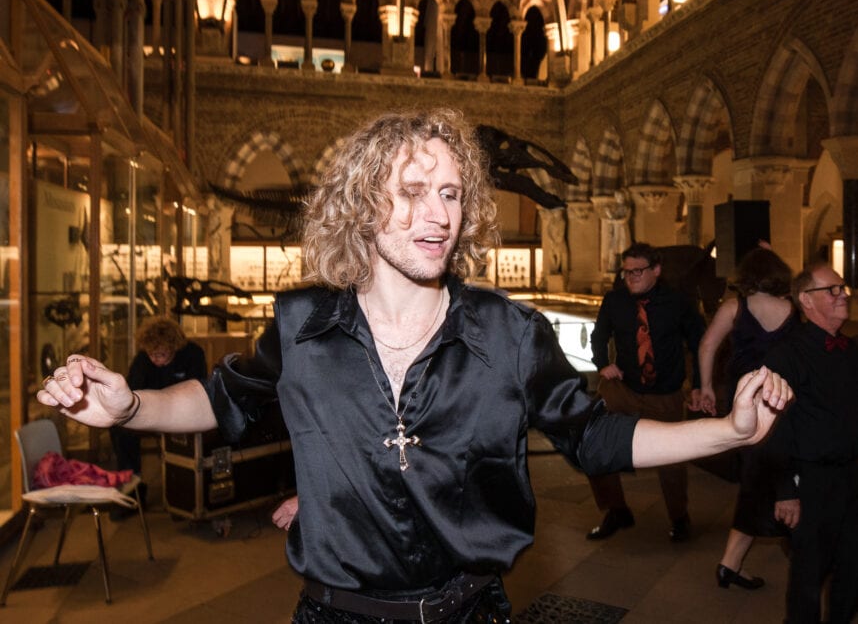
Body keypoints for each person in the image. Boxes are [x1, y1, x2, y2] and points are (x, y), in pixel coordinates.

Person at [37, 108, 793, 623]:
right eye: (410, 192)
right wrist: (131, 406)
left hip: (472, 608)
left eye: (452, 193)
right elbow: (220, 401)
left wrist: (728, 429)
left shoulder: (507, 332)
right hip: (335, 612)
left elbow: (597, 435)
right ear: (364, 204)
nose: (438, 214)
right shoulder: (303, 324)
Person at [764, 263, 858, 624]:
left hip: (850, 478)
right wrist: (785, 490)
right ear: (805, 301)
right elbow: (774, 427)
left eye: (842, 288)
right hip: (808, 481)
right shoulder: (786, 355)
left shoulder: (850, 350)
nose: (843, 294)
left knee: (855, 565)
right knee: (808, 579)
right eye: (832, 289)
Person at [585, 241, 706, 542]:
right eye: (626, 272)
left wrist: (701, 385)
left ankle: (679, 518)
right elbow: (599, 337)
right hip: (624, 389)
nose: (631, 278)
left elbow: (699, 342)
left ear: (656, 270)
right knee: (594, 442)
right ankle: (616, 510)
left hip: (664, 394)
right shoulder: (615, 301)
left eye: (638, 271)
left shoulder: (677, 301)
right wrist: (603, 364)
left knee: (671, 461)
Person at [694, 247, 797, 590]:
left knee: (759, 480)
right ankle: (800, 553)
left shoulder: (734, 307)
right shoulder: (793, 311)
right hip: (782, 405)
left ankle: (731, 564)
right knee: (775, 480)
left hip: (744, 404)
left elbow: (707, 345)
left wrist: (706, 387)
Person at [115, 316, 207, 506]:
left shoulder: (193, 353)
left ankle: (188, 493)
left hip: (183, 415)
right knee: (119, 430)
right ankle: (132, 489)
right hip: (151, 414)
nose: (155, 359)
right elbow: (133, 391)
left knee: (198, 435)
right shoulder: (143, 358)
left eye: (160, 354)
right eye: (151, 354)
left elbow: (199, 391)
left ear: (174, 347)